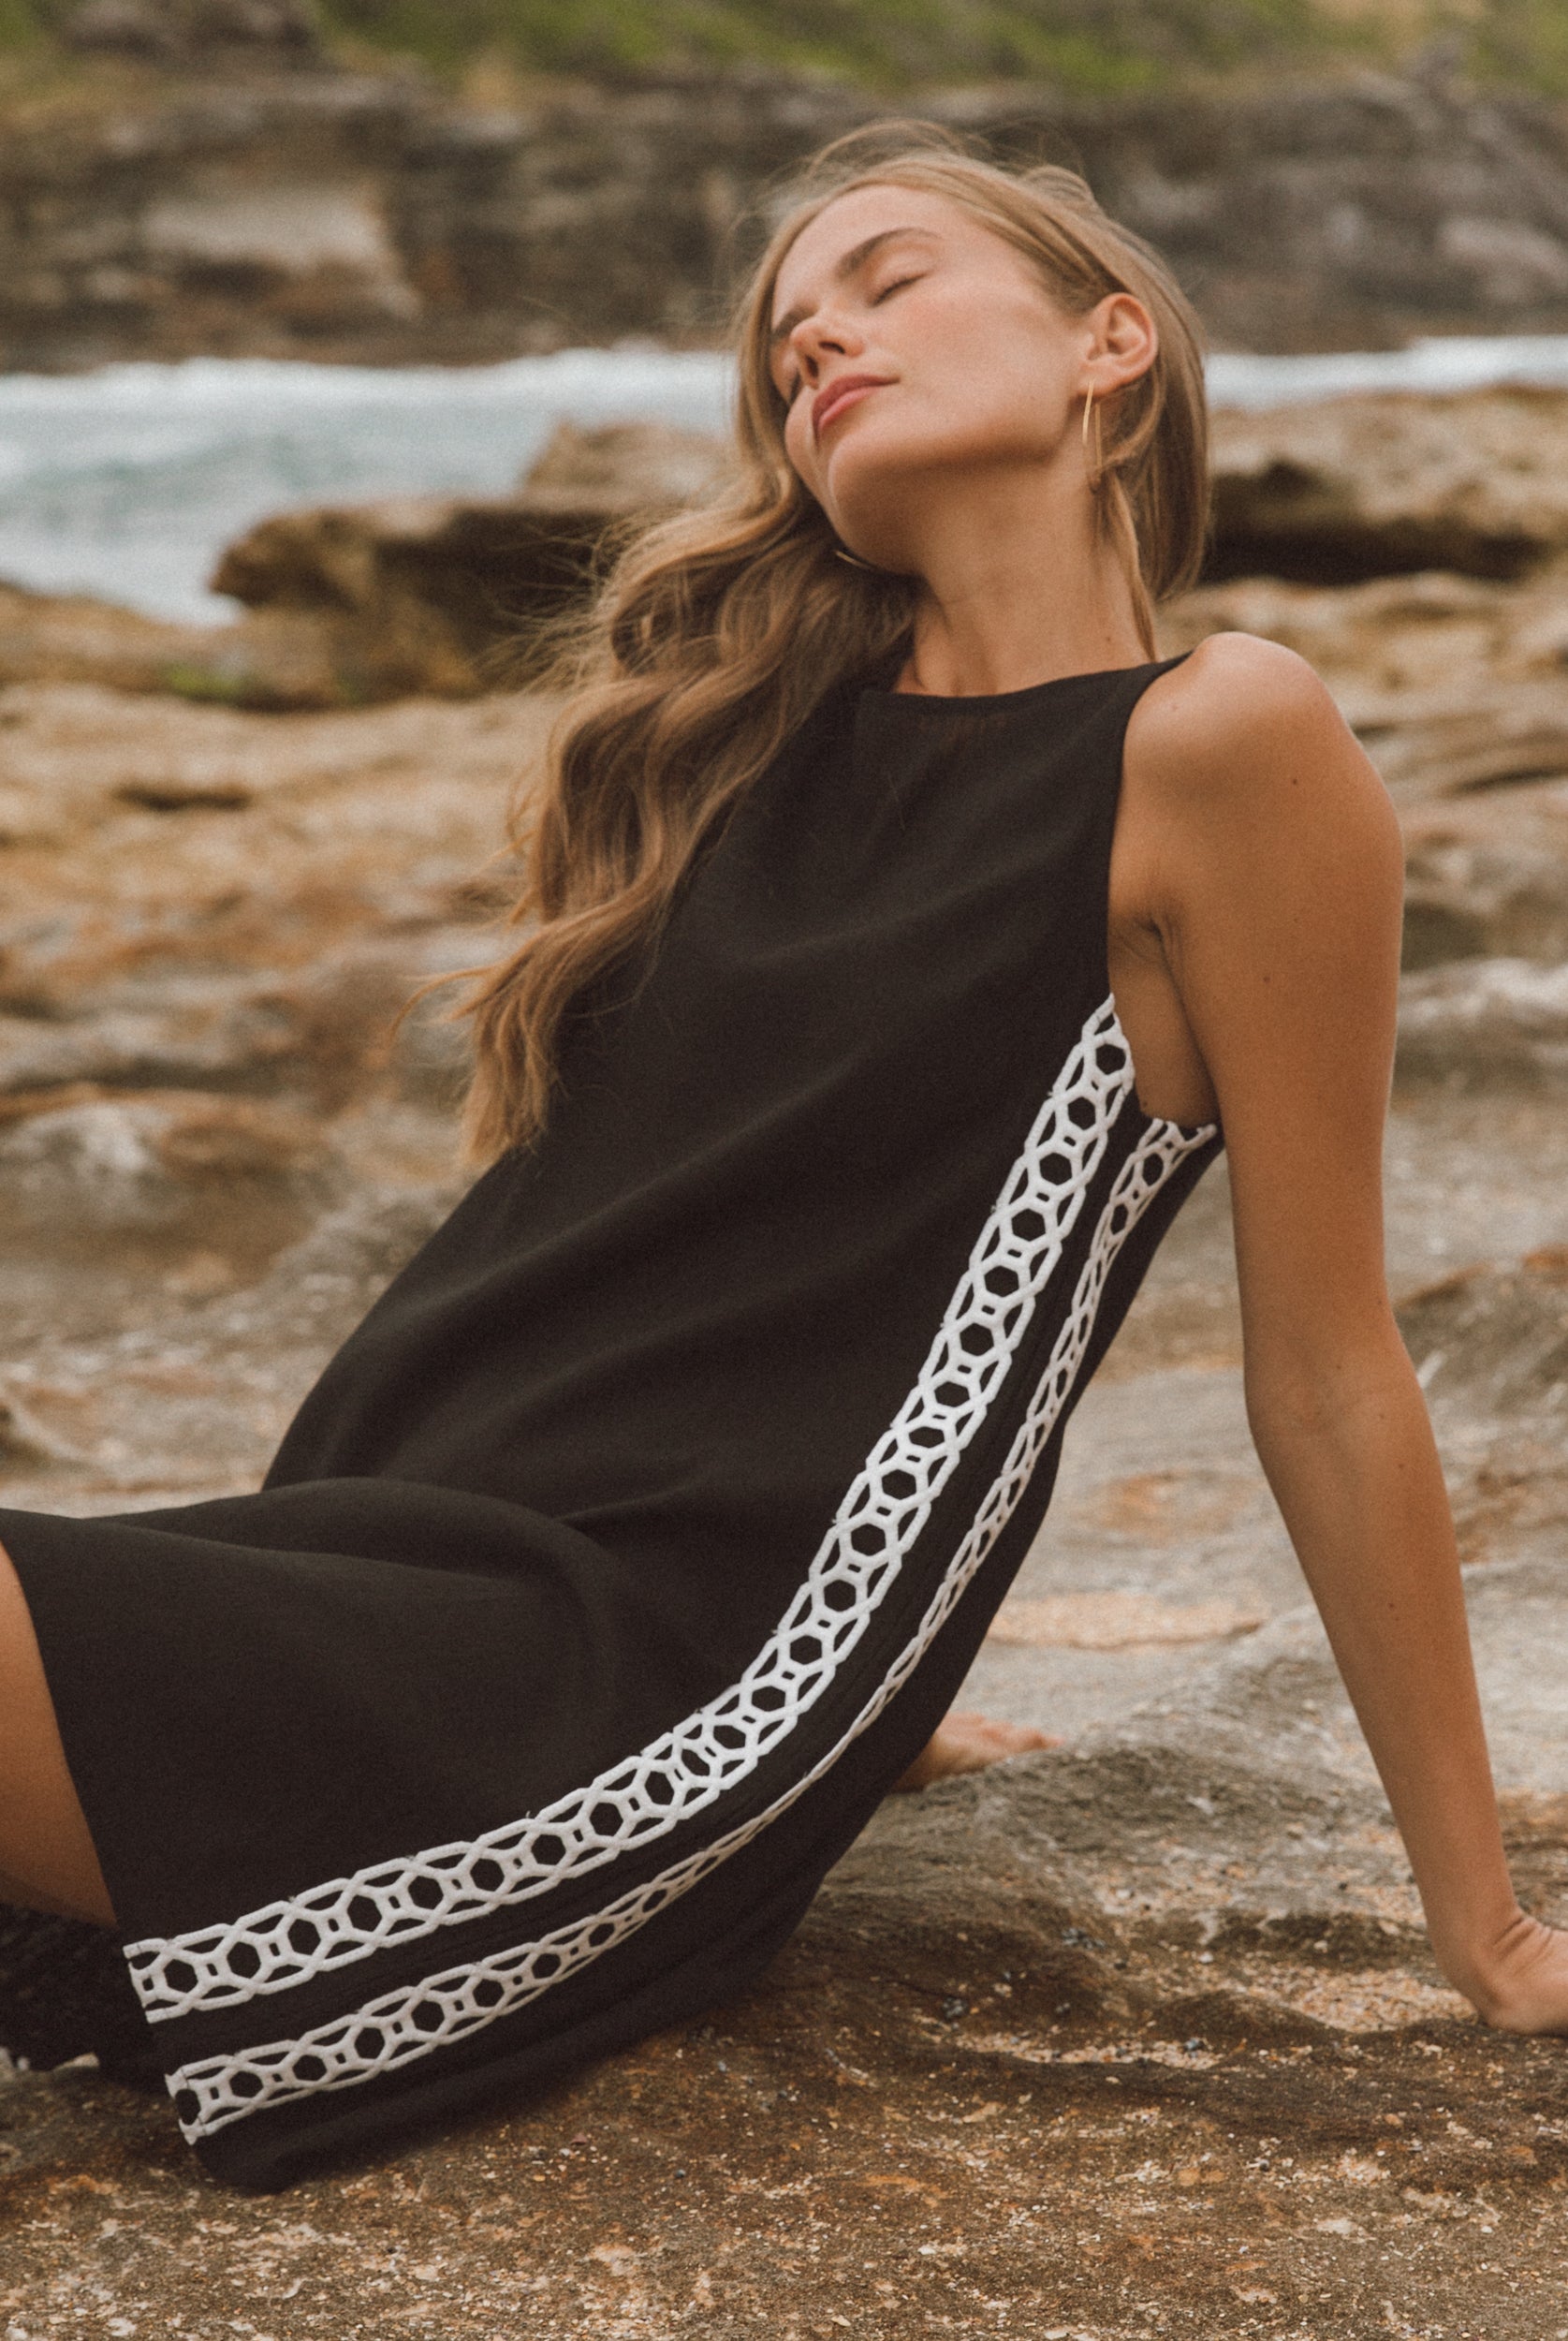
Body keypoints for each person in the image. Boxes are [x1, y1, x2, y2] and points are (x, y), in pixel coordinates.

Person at [1, 127, 1564, 2192]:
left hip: (624, 1680)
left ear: (1112, 345)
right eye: (786, 333)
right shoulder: (736, 755)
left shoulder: (1220, 740)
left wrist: (1488, 1922)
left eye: (889, 278)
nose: (820, 329)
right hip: (364, 1554)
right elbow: (740, 1269)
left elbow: (1327, 1367)